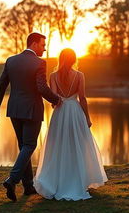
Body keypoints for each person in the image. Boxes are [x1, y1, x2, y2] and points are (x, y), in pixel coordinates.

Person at [0, 32, 61, 202]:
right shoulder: (39, 63)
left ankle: (28, 186)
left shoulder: (11, 60)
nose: (44, 48)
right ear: (35, 43)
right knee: (29, 145)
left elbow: (1, 85)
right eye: (43, 45)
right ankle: (12, 180)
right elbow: (42, 88)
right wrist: (57, 100)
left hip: (14, 109)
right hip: (31, 110)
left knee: (24, 146)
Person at [33, 48, 108, 201]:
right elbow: (83, 98)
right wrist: (87, 117)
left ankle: (58, 181)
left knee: (58, 146)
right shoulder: (80, 75)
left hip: (60, 114)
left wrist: (60, 101)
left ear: (60, 59)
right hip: (75, 112)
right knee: (78, 145)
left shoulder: (53, 76)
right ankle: (78, 180)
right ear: (74, 59)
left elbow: (54, 100)